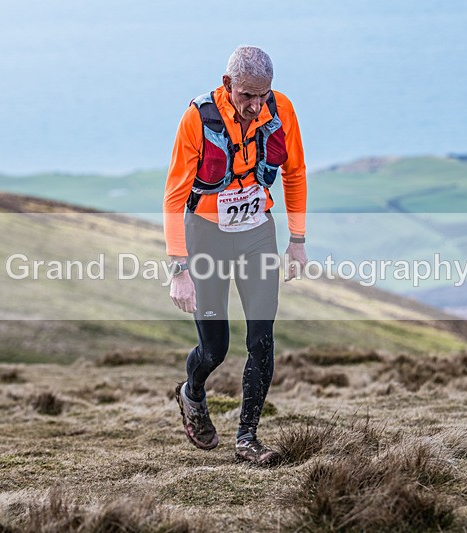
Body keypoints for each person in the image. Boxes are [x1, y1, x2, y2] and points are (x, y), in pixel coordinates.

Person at [163, 45, 307, 466]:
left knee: (261, 339)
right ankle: (192, 392)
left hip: (257, 233)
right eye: (247, 95)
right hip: (206, 235)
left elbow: (294, 172)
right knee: (214, 349)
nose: (256, 105)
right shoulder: (198, 119)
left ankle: (248, 438)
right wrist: (179, 269)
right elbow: (174, 197)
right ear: (227, 84)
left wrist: (297, 240)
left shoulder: (281, 110)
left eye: (263, 95)